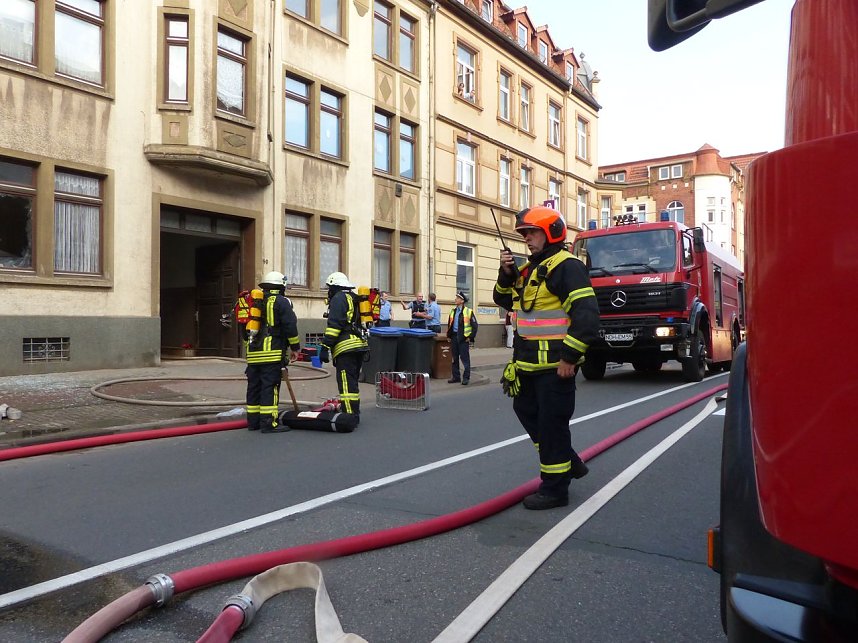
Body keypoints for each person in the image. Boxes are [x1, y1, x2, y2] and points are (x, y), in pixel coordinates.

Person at [493, 206, 600, 510]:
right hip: (526, 366)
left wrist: (570, 358)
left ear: (552, 232)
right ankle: (567, 459)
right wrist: (507, 273)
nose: (527, 239)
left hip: (555, 368)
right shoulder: (529, 270)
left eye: (532, 232)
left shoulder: (567, 267)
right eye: (525, 234)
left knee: (552, 426)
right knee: (527, 412)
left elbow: (587, 317)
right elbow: (502, 298)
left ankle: (555, 489)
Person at [244, 271, 300, 433]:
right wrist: (295, 348)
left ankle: (253, 422)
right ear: (281, 286)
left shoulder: (255, 302)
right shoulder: (282, 302)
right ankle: (269, 423)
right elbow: (290, 326)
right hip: (272, 352)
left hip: (253, 353)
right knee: (270, 386)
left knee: (254, 387)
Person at [320, 271, 369, 424]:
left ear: (335, 287)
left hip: (345, 347)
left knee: (346, 383)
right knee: (352, 382)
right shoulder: (354, 297)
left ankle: (349, 415)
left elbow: (335, 326)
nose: (329, 291)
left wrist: (325, 346)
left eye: (330, 287)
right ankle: (354, 411)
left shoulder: (339, 298)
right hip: (358, 346)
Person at [446, 291, 478, 385]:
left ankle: (466, 378)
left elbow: (475, 326)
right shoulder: (453, 311)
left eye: (457, 298)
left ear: (462, 300)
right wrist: (449, 336)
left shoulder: (468, 311)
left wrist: (470, 337)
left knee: (465, 359)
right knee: (454, 358)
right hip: (454, 337)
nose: (455, 299)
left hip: (464, 339)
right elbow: (450, 324)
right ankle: (456, 377)